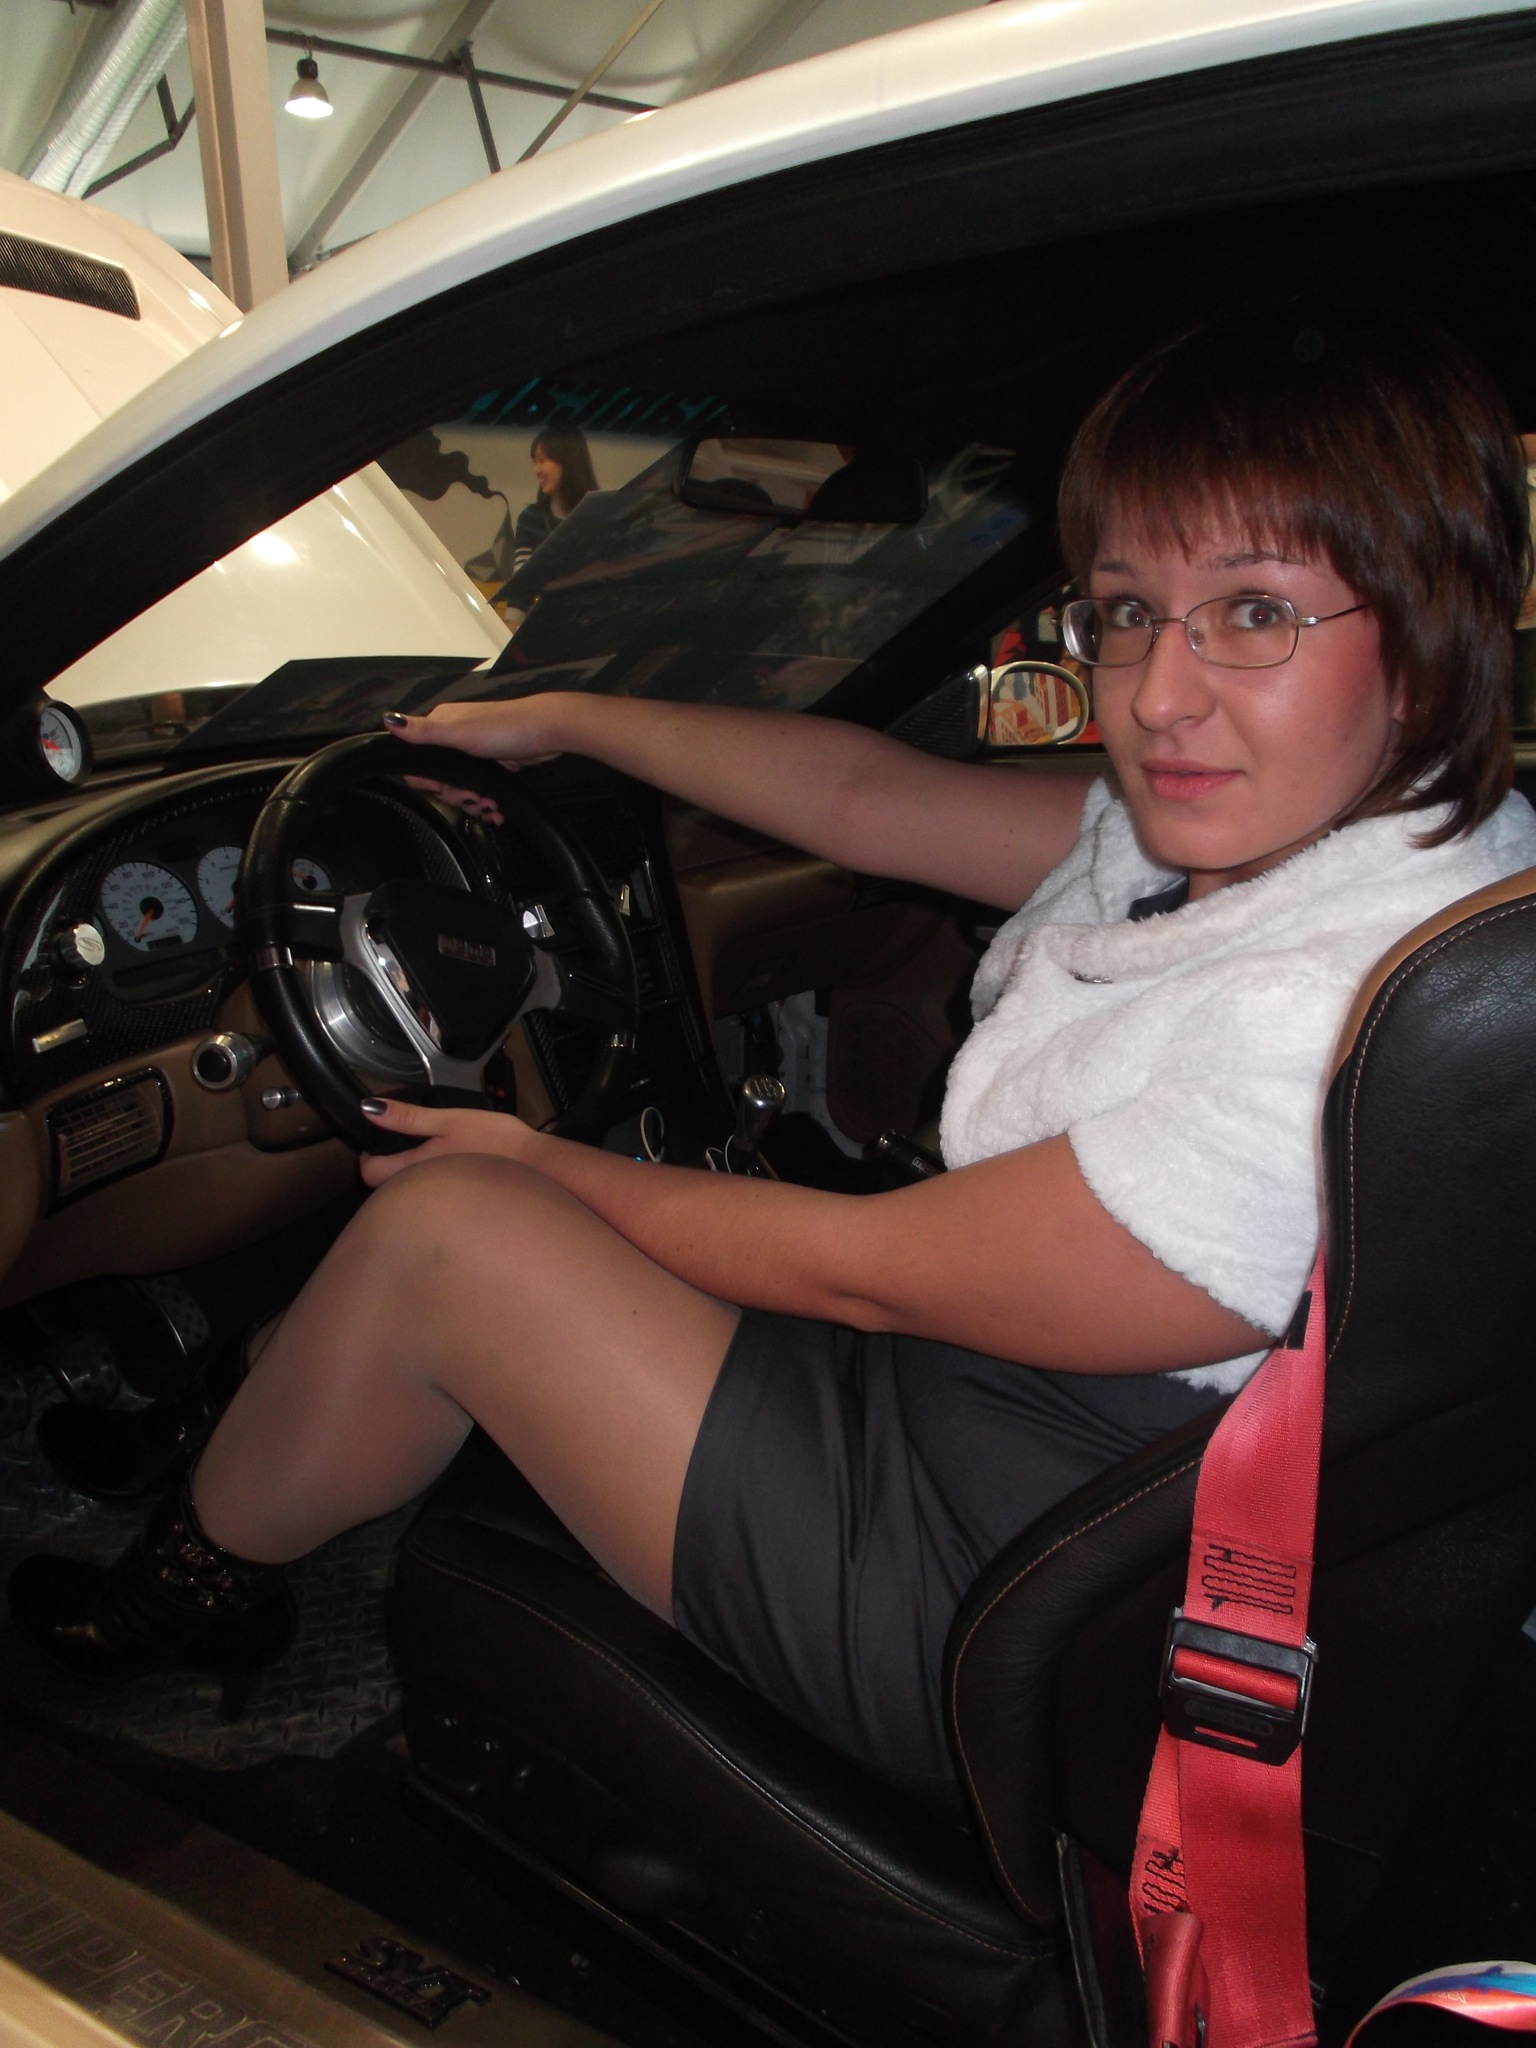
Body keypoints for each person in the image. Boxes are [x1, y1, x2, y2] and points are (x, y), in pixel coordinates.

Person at [13, 303, 1536, 1819]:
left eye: (1256, 612)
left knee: (441, 1232)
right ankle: (231, 1436)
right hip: (1020, 1460)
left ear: (1427, 633)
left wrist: (538, 1163)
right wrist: (565, 723)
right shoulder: (1355, 863)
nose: (1157, 696)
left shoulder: (1322, 1018)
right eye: (1128, 611)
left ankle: (186, 1593)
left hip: (1011, 1613)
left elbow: (863, 1272)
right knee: (534, 1213)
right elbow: (871, 798)